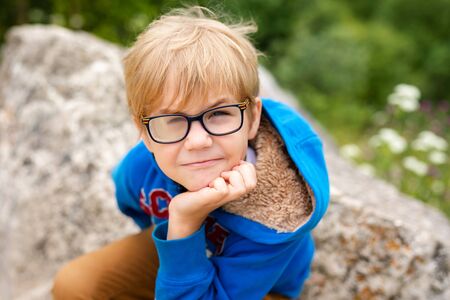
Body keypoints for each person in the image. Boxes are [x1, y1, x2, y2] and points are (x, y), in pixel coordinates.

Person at [52, 6, 329, 300]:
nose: (197, 141)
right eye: (172, 120)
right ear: (143, 132)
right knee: (75, 284)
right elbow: (131, 201)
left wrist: (185, 220)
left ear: (252, 118)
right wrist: (181, 237)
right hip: (185, 248)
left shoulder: (276, 219)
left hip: (256, 286)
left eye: (219, 114)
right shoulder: (140, 166)